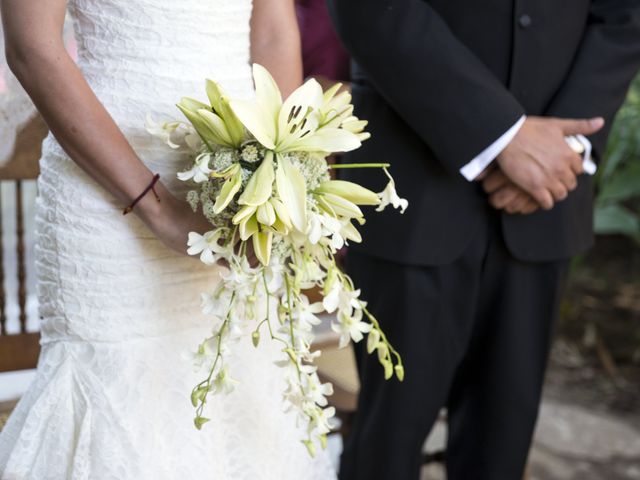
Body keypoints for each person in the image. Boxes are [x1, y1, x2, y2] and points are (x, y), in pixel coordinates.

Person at [0, 1, 336, 478]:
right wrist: (158, 208)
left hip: (237, 192)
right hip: (106, 198)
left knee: (243, 401)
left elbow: (273, 33)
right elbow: (32, 49)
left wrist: (277, 178)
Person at [327, 1, 640, 479]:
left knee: (502, 448)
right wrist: (501, 137)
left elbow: (624, 13)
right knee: (383, 446)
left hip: (550, 193)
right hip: (411, 186)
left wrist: (566, 149)